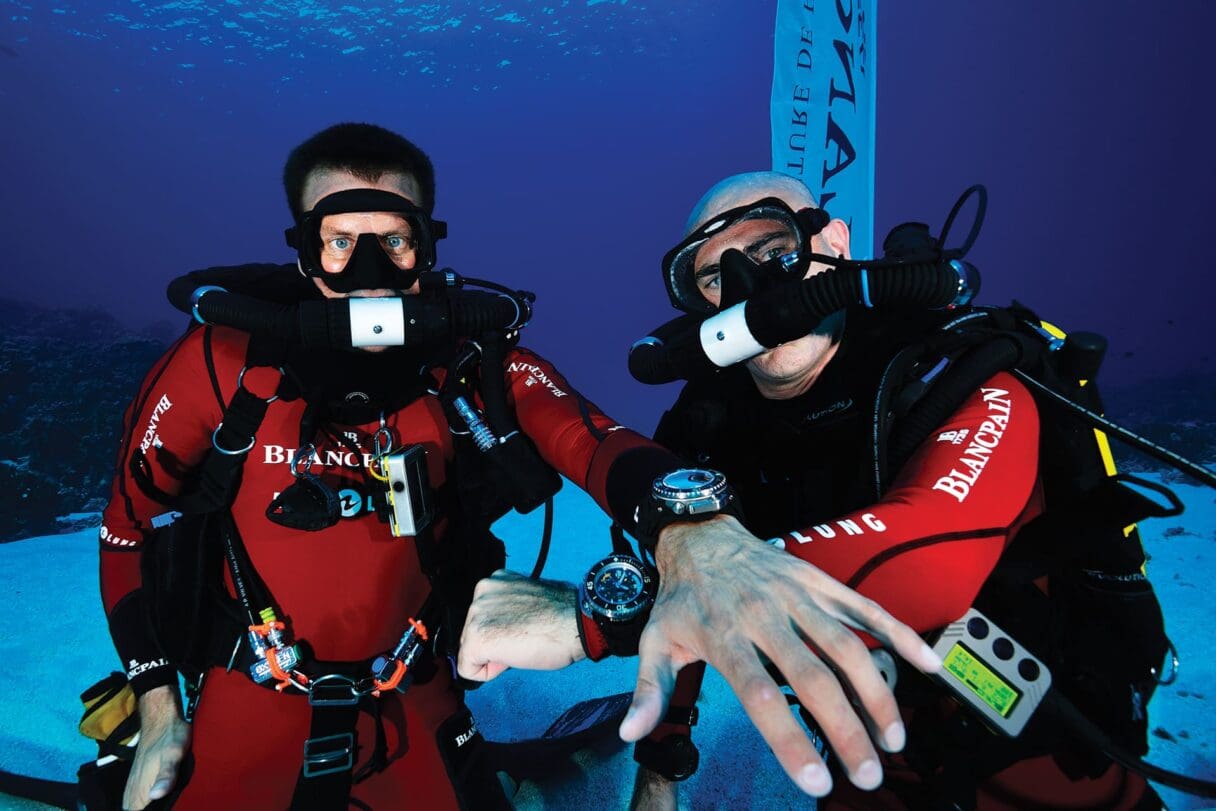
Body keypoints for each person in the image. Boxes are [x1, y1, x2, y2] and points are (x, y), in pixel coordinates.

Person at [99, 128, 940, 809]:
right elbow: (124, 532)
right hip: (247, 696)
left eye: (392, 241)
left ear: (426, 250)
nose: (364, 270)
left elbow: (594, 438)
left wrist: (694, 530)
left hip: (417, 695)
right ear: (301, 251)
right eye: (338, 241)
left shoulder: (473, 364)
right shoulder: (217, 365)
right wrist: (159, 706)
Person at [458, 171, 1168, 809]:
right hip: (865, 741)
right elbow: (684, 561)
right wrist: (661, 766)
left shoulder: (959, 368)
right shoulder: (710, 425)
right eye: (713, 276)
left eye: (772, 251)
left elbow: (928, 560)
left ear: (832, 240)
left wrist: (599, 620)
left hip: (1048, 743)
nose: (747, 289)